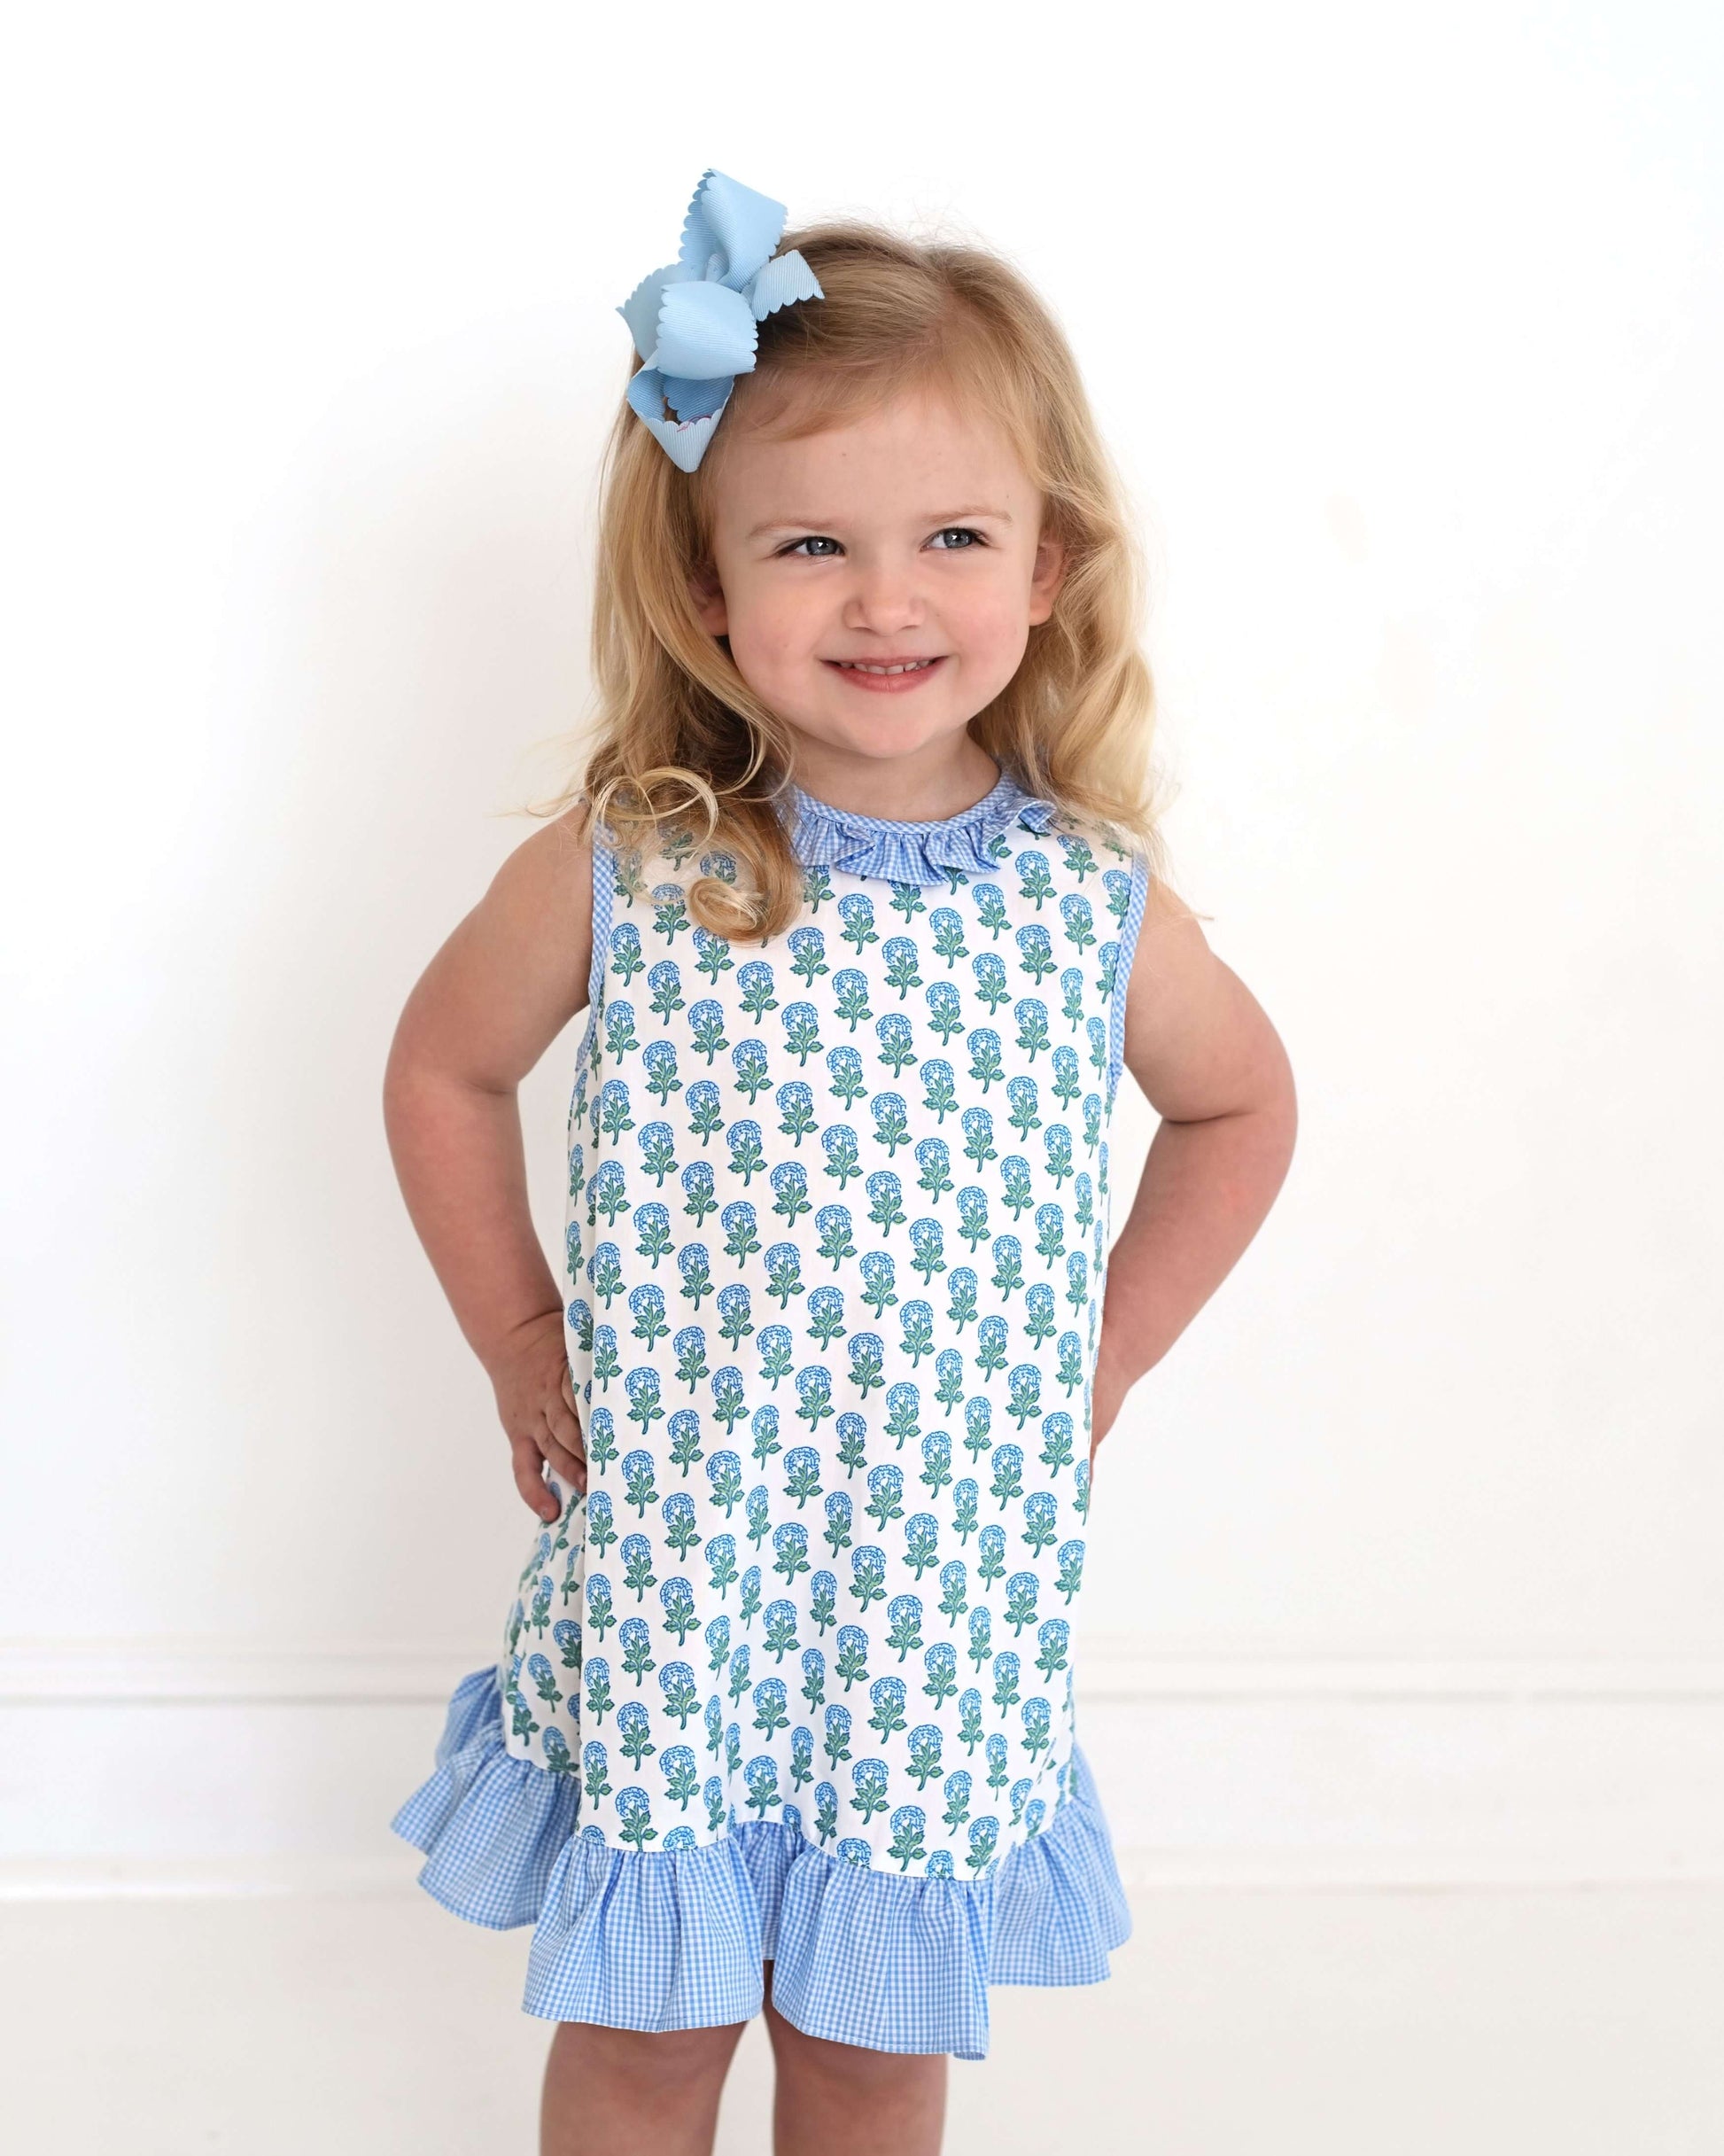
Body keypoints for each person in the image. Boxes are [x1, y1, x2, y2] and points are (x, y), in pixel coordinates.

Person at [383, 167, 1297, 2156]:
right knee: (649, 2032)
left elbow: (1242, 1107)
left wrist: (1106, 1347)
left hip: (931, 1599)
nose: (886, 600)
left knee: (872, 2053)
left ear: (1046, 564)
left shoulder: (1087, 903)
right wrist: (519, 1324)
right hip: (681, 1576)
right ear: (708, 587)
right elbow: (444, 1066)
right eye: (812, 544)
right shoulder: (638, 861)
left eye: (950, 538)